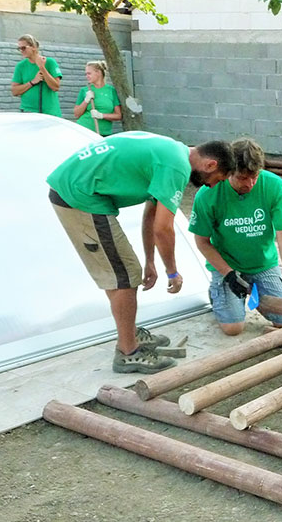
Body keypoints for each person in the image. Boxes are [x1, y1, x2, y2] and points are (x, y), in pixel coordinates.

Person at [47, 132, 236, 374]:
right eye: (217, 180)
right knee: (124, 277)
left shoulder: (172, 150)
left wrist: (150, 262)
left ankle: (129, 334)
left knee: (122, 272)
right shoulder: (176, 167)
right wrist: (172, 272)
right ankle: (128, 353)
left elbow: (151, 216)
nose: (212, 185)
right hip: (79, 197)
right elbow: (164, 229)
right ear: (211, 165)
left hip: (78, 189)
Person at [188, 138, 282, 336]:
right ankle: (220, 294)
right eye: (242, 178)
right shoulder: (208, 194)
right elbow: (202, 242)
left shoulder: (274, 186)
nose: (250, 183)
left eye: (254, 177)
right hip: (227, 266)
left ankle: (254, 294)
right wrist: (229, 274)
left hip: (263, 265)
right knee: (233, 328)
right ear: (228, 171)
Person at [10, 34, 62, 117]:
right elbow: (14, 91)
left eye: (23, 48)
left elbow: (56, 87)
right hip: (28, 113)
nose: (21, 51)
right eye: (19, 48)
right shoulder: (20, 66)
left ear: (33, 47)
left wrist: (42, 67)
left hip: (49, 113)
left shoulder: (50, 62)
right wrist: (32, 82)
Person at [73, 60, 122, 136]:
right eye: (86, 74)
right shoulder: (85, 90)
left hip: (104, 133)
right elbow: (76, 114)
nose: (87, 76)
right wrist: (86, 100)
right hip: (85, 130)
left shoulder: (111, 91)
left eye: (89, 73)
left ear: (98, 73)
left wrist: (101, 115)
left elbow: (118, 115)